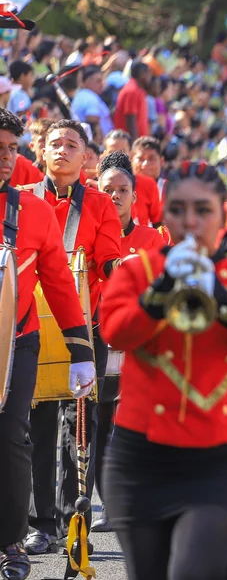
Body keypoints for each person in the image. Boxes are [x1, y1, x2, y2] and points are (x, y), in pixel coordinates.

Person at [100, 161, 227, 580]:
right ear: (164, 215)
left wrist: (221, 294)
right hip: (140, 456)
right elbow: (116, 333)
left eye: (203, 210)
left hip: (218, 459)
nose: (190, 221)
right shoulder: (136, 270)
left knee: (191, 572)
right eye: (179, 209)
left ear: (224, 214)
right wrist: (163, 286)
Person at [0, 107, 96, 580]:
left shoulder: (32, 210)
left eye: (11, 150)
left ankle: (12, 542)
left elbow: (59, 283)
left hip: (18, 342)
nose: (4, 159)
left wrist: (81, 350)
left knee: (11, 438)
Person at [22, 119, 122, 555]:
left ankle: (70, 521)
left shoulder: (100, 204)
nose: (62, 150)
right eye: (54, 144)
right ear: (40, 152)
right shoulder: (21, 201)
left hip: (83, 325)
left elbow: (107, 261)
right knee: (35, 424)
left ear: (87, 158)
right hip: (27, 324)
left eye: (72, 145)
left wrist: (129, 274)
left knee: (76, 424)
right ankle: (38, 523)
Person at [92, 151, 168, 532]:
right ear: (97, 191)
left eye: (123, 190)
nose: (116, 196)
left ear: (135, 196)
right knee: (102, 425)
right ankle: (108, 505)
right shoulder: (88, 235)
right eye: (109, 190)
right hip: (100, 340)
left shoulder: (153, 239)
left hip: (143, 344)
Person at [71, 66, 113, 140]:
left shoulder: (82, 95)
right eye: (98, 81)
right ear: (88, 81)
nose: (102, 84)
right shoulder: (90, 98)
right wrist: (100, 145)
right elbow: (93, 123)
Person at [113, 62, 153, 142]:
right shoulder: (132, 90)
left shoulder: (136, 89)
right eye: (148, 73)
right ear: (142, 74)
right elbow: (130, 118)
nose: (150, 76)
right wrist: (135, 144)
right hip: (127, 143)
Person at [130, 136, 165, 226]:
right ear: (131, 160)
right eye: (140, 159)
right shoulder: (123, 188)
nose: (145, 165)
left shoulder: (172, 189)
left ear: (161, 161)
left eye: (151, 159)